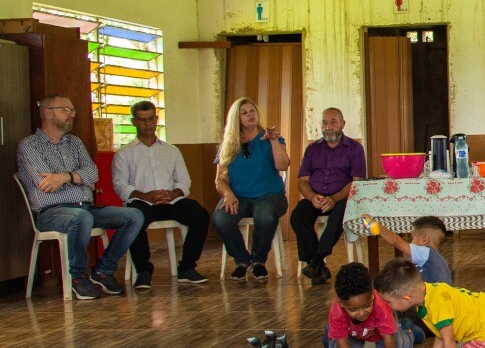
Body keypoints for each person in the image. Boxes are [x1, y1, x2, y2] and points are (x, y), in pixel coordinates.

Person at [17, 95, 145, 300]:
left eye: (72, 110)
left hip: (86, 206)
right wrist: (78, 179)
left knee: (134, 215)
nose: (71, 115)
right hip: (51, 212)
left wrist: (64, 177)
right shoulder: (29, 145)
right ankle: (78, 277)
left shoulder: (75, 143)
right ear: (48, 113)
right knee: (80, 217)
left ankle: (103, 270)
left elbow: (93, 174)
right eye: (65, 110)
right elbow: (46, 183)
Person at [112, 100, 210, 287]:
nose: (147, 124)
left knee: (200, 214)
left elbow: (184, 180)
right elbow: (120, 185)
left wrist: (174, 194)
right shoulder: (124, 153)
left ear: (156, 119)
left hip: (171, 201)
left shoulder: (172, 150)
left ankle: (187, 267)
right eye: (141, 120)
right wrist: (146, 196)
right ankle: (143, 271)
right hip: (143, 202)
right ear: (133, 122)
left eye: (150, 119)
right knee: (134, 218)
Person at [212, 97, 290, 281]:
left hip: (270, 195)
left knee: (265, 212)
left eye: (252, 111)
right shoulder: (228, 145)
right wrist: (228, 194)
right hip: (240, 197)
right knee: (220, 217)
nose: (250, 115)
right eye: (244, 113)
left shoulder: (271, 137)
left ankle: (258, 260)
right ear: (236, 119)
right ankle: (241, 260)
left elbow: (283, 165)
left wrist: (273, 142)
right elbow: (220, 180)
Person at [289, 107, 366, 285]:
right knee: (298, 216)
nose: (328, 127)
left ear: (343, 124)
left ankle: (315, 261)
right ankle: (318, 265)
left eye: (333, 122)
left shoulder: (355, 149)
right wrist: (312, 196)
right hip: (315, 197)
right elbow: (302, 180)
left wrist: (334, 198)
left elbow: (357, 181)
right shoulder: (312, 149)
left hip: (341, 198)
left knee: (340, 213)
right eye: (325, 122)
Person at [322, 262, 424, 348]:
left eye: (366, 306)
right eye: (353, 309)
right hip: (353, 334)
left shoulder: (381, 305)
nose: (361, 313)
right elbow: (343, 342)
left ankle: (408, 330)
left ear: (372, 295)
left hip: (379, 333)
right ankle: (330, 334)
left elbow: (388, 337)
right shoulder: (337, 310)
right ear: (340, 302)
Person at [364, 214, 453, 284]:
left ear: (424, 240)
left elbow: (396, 242)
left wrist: (378, 227)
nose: (410, 243)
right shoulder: (440, 261)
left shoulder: (426, 252)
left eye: (412, 238)